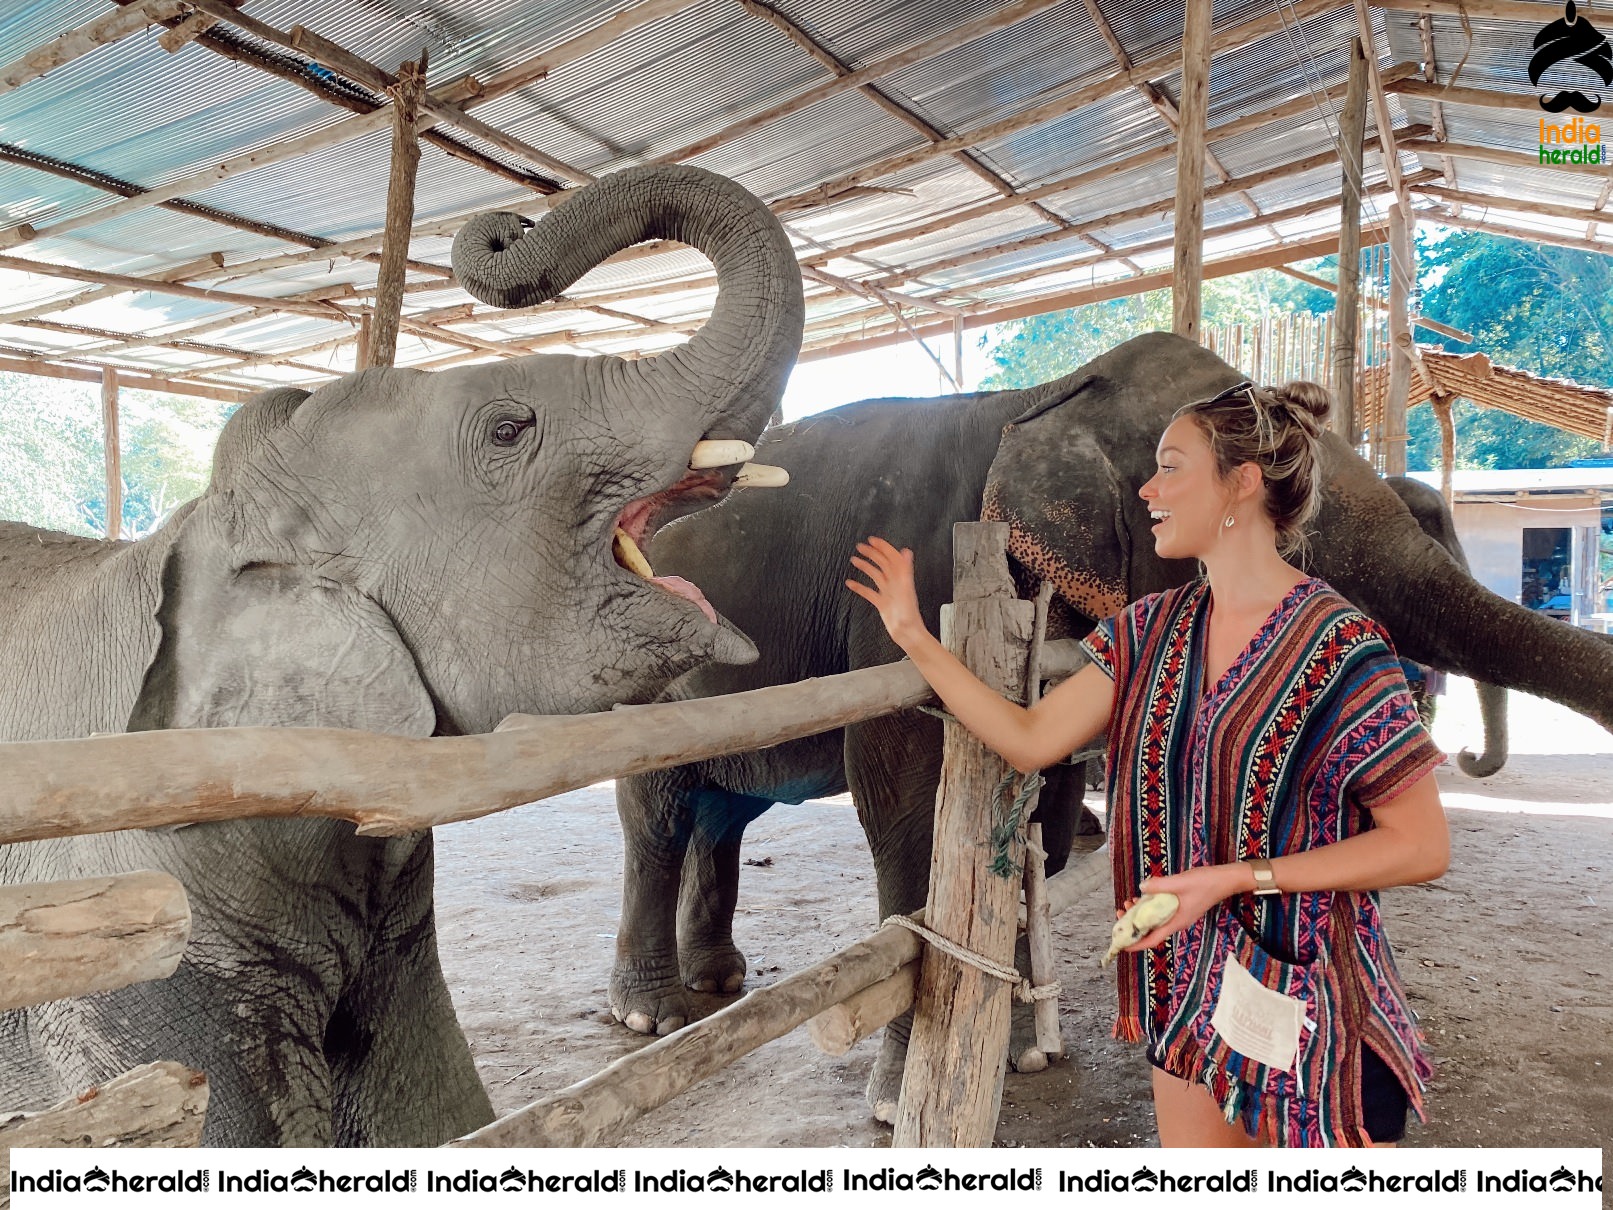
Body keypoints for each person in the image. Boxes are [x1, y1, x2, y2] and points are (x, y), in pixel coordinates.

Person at [846, 378, 1449, 1148]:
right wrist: (912, 636)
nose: (1145, 488)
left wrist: (1235, 878)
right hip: (1187, 995)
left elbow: (1421, 844)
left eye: (1170, 467)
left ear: (1241, 483)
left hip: (1313, 1001)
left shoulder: (1341, 647)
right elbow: (1030, 738)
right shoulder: (1147, 631)